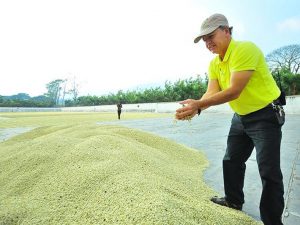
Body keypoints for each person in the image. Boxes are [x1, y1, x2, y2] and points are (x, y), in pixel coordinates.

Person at [175, 13, 285, 225]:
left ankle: (272, 221)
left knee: (269, 171)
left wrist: (199, 105)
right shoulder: (215, 64)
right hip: (241, 116)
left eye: (211, 36)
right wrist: (197, 107)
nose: (207, 43)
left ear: (227, 31)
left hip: (265, 115)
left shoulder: (244, 49)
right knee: (231, 160)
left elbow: (234, 90)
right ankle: (233, 200)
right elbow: (211, 93)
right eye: (204, 40)